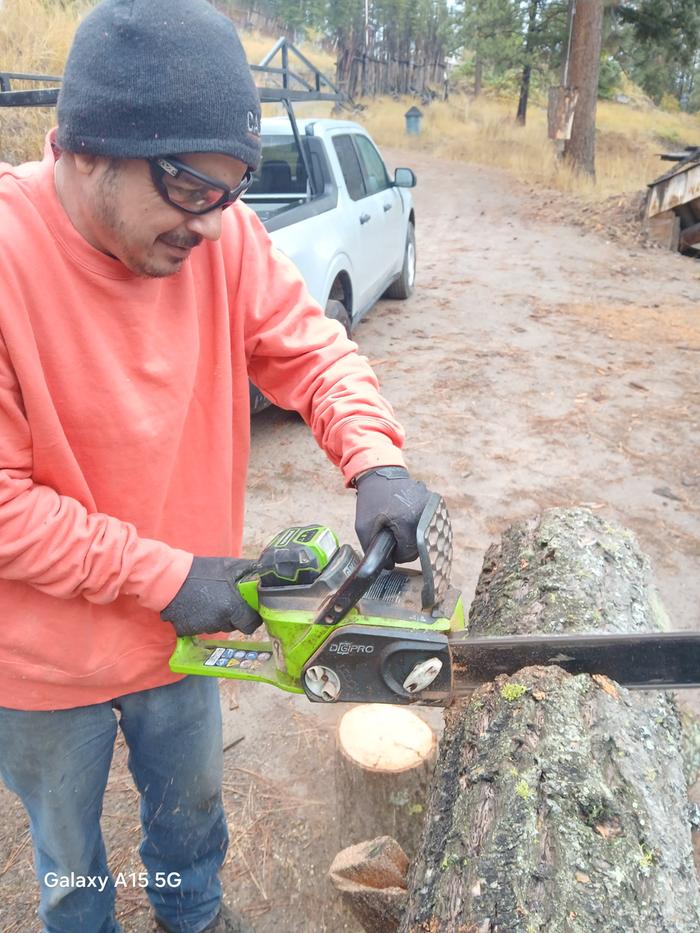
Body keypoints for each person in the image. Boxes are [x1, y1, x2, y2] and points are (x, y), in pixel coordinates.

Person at [0, 2, 436, 931]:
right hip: (36, 661)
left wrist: (375, 458)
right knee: (70, 852)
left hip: (186, 631)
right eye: (195, 187)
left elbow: (314, 352)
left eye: (235, 190)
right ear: (87, 151)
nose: (214, 223)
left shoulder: (221, 234)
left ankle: (190, 912)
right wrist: (165, 572)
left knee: (191, 808)